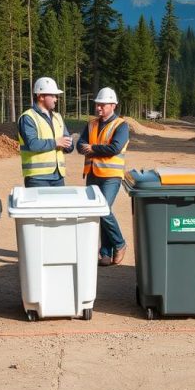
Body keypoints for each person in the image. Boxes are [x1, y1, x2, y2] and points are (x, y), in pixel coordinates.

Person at [77, 88, 129, 266]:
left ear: (113, 105)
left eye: (103, 104)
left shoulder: (121, 125)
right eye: (97, 104)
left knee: (103, 209)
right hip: (92, 173)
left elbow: (115, 148)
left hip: (111, 175)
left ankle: (120, 244)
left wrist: (93, 149)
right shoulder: (91, 124)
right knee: (98, 212)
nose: (99, 108)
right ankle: (105, 253)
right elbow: (80, 145)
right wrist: (90, 147)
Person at [18, 77, 73, 187]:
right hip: (37, 178)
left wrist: (68, 145)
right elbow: (32, 144)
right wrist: (56, 142)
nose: (56, 99)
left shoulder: (58, 117)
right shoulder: (28, 117)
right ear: (41, 96)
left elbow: (68, 144)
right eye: (52, 96)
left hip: (58, 176)